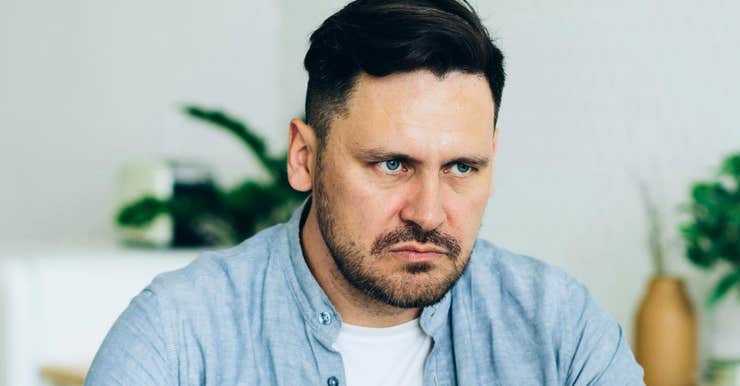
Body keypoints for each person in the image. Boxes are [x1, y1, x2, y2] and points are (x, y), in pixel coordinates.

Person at [86, 0, 644, 385]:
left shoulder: (558, 328)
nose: (428, 213)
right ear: (305, 157)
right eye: (392, 164)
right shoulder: (179, 336)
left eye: (462, 168)